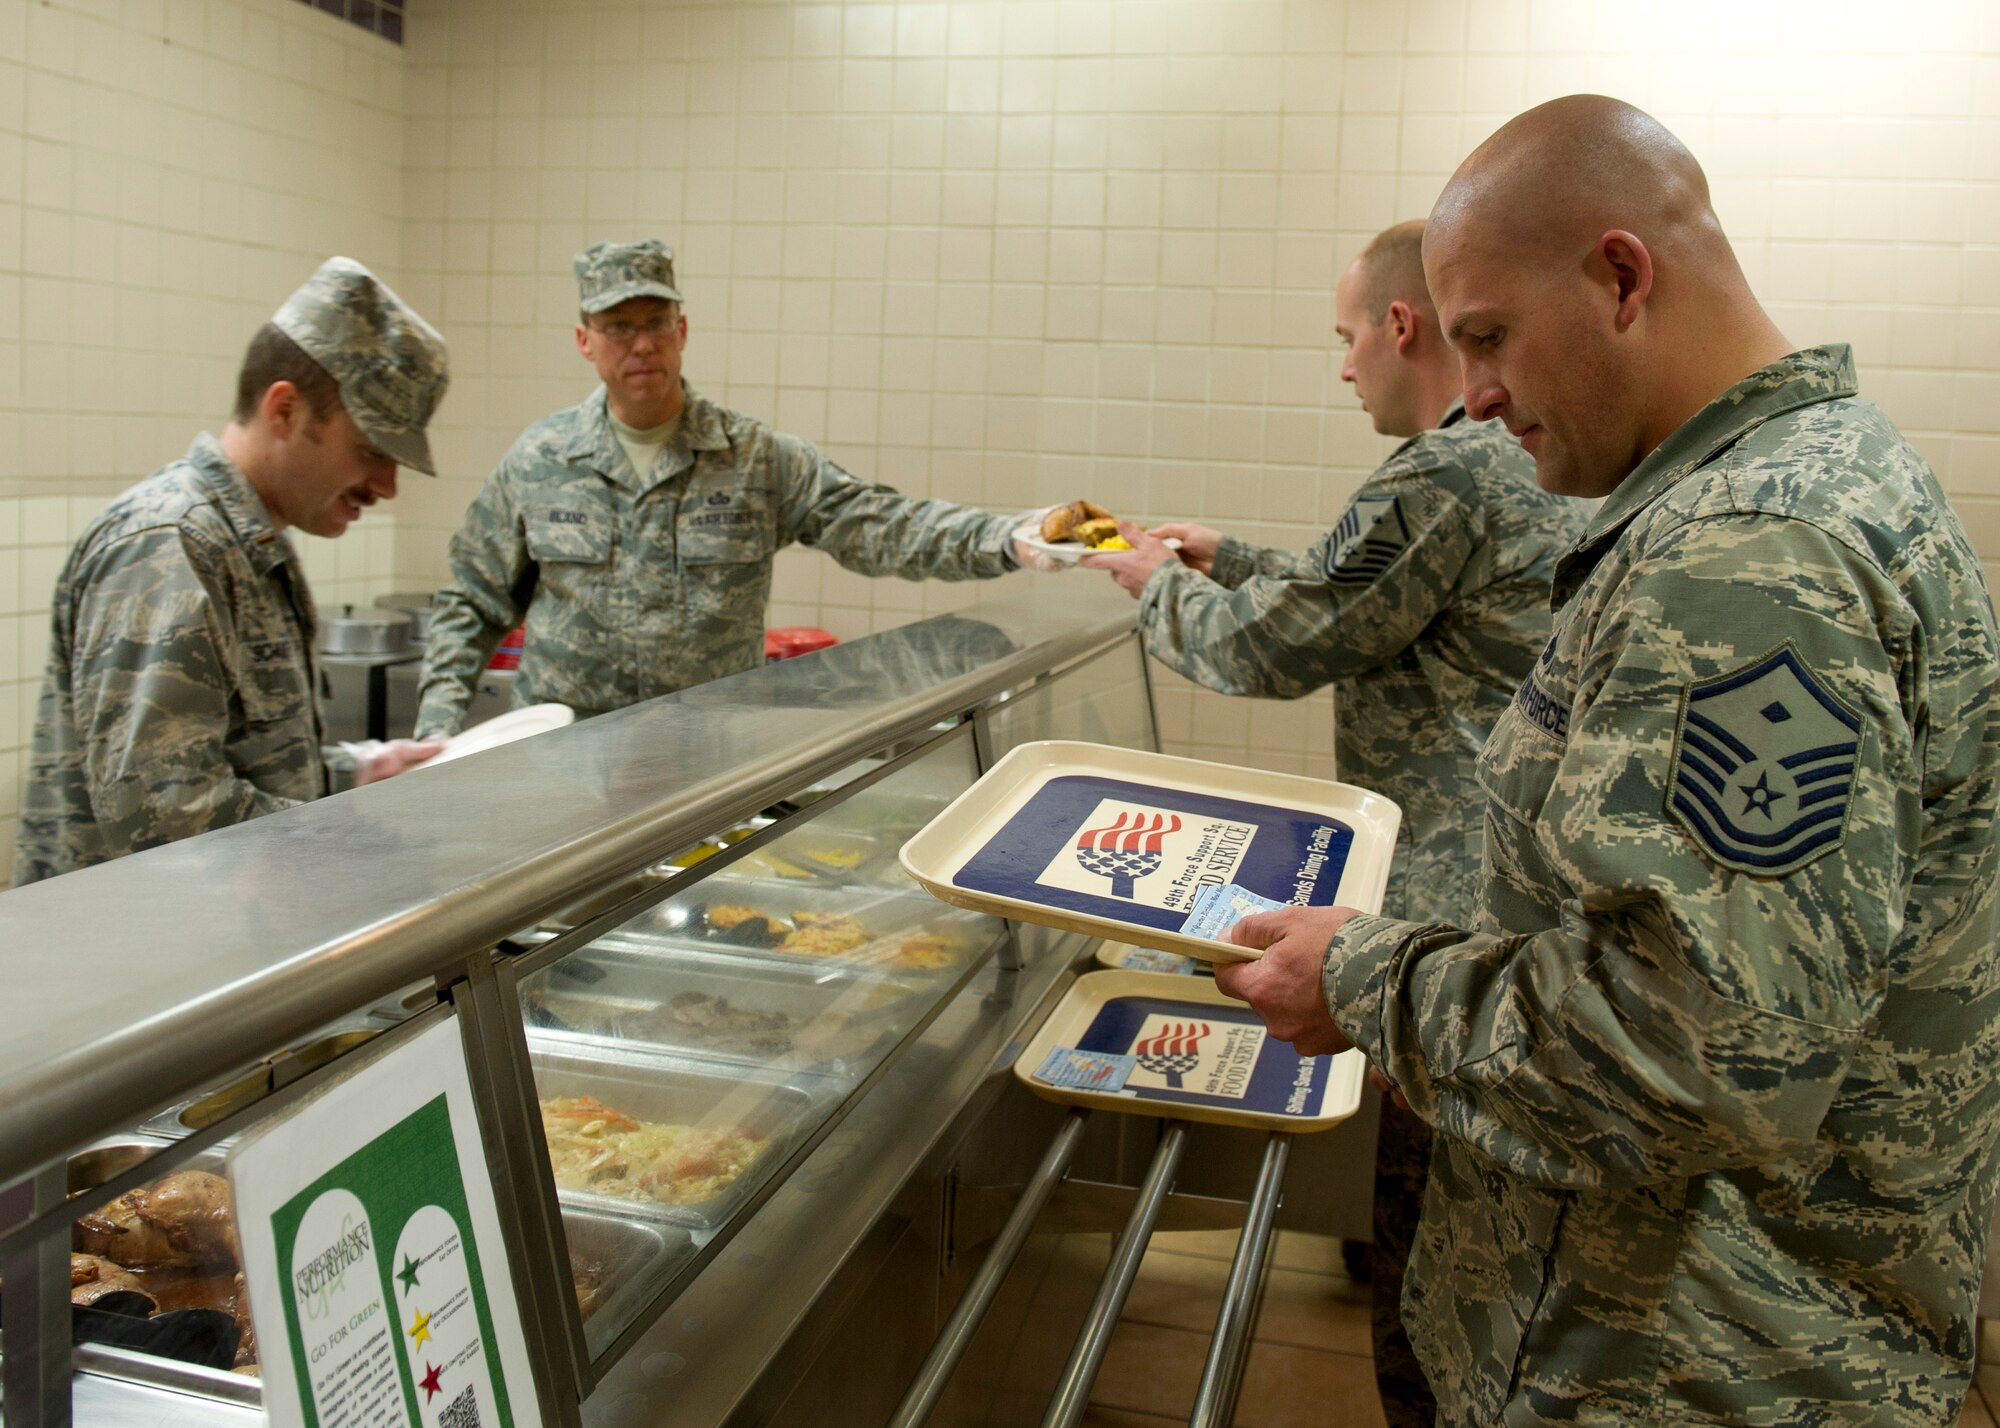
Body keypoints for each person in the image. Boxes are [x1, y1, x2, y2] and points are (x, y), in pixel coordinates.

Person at [1215, 95, 2000, 1426]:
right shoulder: (1808, 476)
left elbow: (1697, 1056)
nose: (1473, 397)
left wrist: (1361, 973)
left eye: (1489, 338)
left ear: (1622, 279)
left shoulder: (1749, 551)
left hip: (1688, 1361)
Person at [1083, 219, 1588, 1428]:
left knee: (1431, 1266)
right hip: (1518, 914)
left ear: (1398, 326)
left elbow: (1278, 642)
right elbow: (1378, 596)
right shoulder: (1523, 460)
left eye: (1347, 337)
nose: (1343, 365)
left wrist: (1153, 584)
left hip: (1454, 921)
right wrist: (1234, 552)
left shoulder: (1448, 467)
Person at [414, 240, 1056, 735]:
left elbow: (879, 523)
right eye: (618, 327)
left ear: (682, 331)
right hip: (564, 770)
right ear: (585, 341)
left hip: (704, 769)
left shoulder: (753, 458)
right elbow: (471, 603)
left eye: (656, 322)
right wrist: (437, 735)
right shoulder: (540, 459)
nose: (641, 344)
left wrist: (1005, 538)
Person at [14, 258, 450, 885]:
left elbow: (234, 765)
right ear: (284, 411)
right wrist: (357, 846)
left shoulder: (252, 545)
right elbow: (166, 821)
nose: (386, 486)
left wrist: (352, 772)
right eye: (371, 452)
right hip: (137, 970)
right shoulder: (170, 546)